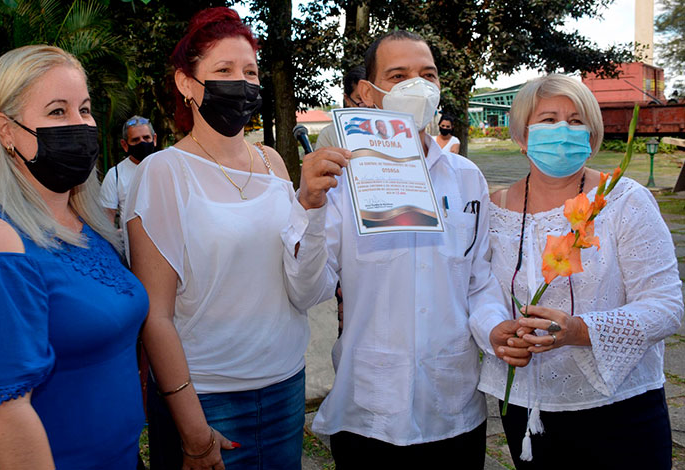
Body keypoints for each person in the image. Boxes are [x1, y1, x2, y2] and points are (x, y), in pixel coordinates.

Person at [124, 7, 348, 470]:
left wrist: (309, 206)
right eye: (223, 70)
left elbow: (298, 282)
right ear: (187, 83)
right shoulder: (163, 172)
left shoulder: (272, 163)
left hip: (286, 383)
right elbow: (156, 316)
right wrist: (192, 429)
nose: (241, 83)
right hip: (208, 398)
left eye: (250, 71)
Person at [284, 29, 508, 468]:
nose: (417, 86)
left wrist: (495, 329)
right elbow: (305, 291)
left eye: (428, 74)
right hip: (369, 413)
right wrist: (308, 206)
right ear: (368, 91)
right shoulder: (338, 181)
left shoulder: (466, 179)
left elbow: (479, 283)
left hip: (454, 408)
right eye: (399, 74)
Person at [0, 45, 148, 469]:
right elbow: (4, 411)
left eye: (85, 110)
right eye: (56, 112)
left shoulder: (88, 227)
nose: (79, 125)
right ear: (6, 131)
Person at [472, 74, 683, 469]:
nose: (563, 131)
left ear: (591, 133)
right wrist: (494, 331)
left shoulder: (624, 201)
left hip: (620, 408)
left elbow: (666, 306)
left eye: (575, 120)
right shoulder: (494, 206)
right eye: (549, 120)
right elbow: (478, 289)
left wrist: (578, 331)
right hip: (523, 408)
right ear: (522, 135)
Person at [100, 115, 157, 225]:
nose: (142, 143)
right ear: (125, 145)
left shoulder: (167, 168)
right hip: (131, 241)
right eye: (135, 140)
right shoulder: (115, 175)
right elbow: (107, 219)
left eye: (146, 138)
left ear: (154, 139)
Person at [315, 65, 366, 149]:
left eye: (372, 97)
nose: (367, 104)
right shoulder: (329, 135)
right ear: (347, 99)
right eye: (360, 98)